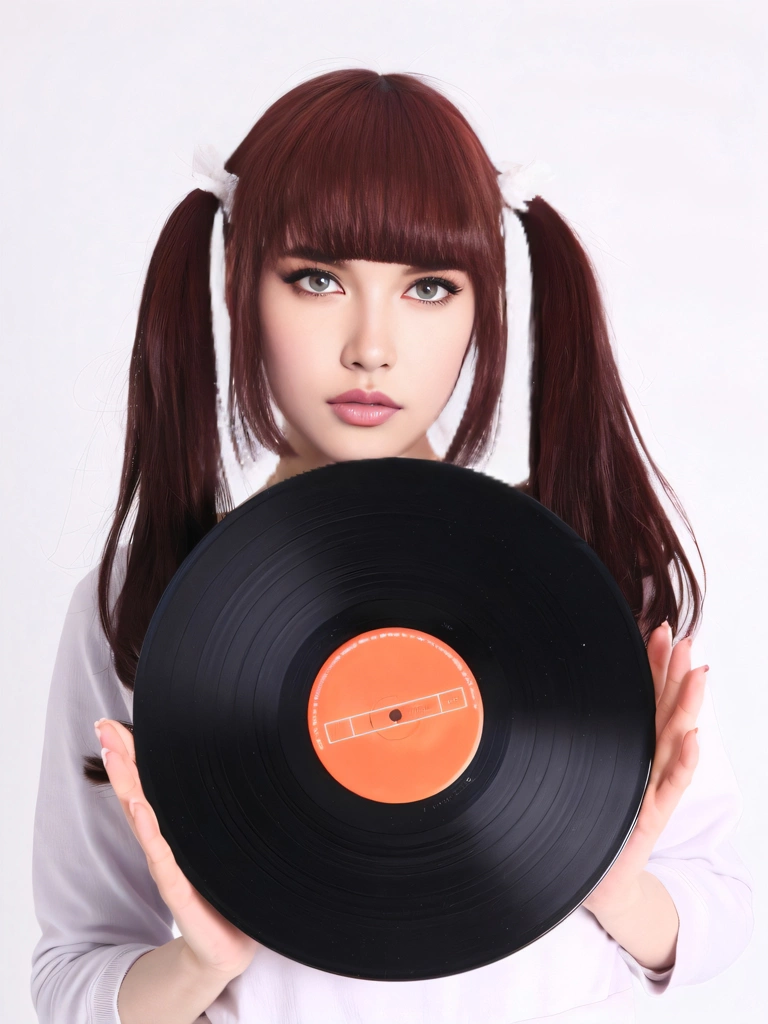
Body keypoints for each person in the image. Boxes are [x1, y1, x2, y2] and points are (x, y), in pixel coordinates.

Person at [30, 68, 753, 1024]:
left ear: (481, 308)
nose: (371, 346)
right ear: (239, 280)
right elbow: (70, 976)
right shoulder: (138, 600)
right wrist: (201, 965)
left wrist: (613, 888)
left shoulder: (589, 571)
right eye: (318, 279)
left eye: (428, 288)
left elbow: (729, 911)